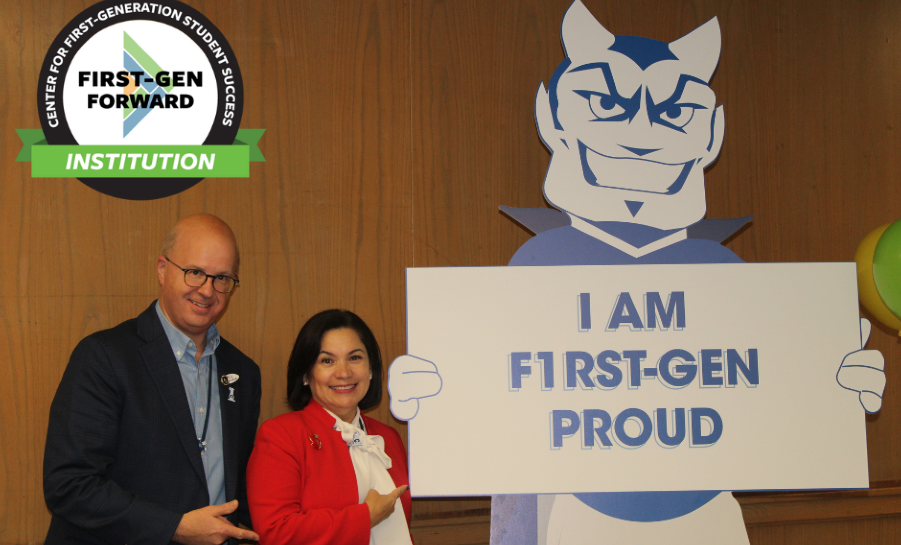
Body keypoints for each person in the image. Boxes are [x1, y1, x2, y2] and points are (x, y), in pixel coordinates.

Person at [43, 213, 262, 545]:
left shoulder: (243, 372)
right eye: (194, 272)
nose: (207, 290)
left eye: (222, 278)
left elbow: (241, 487)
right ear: (162, 269)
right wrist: (175, 526)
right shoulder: (105, 357)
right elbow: (69, 484)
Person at [247, 309, 412, 545]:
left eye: (355, 358)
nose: (343, 373)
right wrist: (365, 517)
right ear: (306, 374)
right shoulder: (281, 435)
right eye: (327, 361)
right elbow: (275, 531)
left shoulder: (388, 437)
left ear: (371, 370)